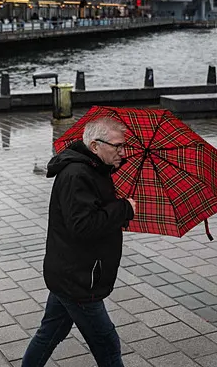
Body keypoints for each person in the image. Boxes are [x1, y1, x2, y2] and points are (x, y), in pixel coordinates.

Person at [22, 117, 136, 367]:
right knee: (107, 344)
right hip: (80, 279)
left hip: (70, 272)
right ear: (94, 146)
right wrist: (123, 208)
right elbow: (83, 226)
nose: (123, 152)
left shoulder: (93, 169)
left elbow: (90, 214)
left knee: (50, 333)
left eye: (123, 146)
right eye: (117, 146)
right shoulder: (78, 174)